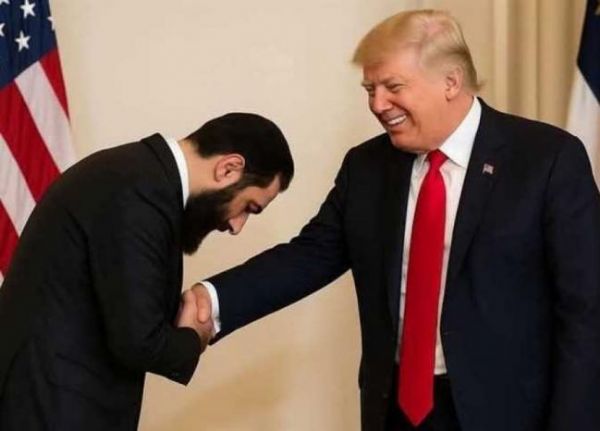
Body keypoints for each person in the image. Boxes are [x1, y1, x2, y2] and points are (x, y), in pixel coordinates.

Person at [190, 10, 600, 431]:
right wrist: (212, 299)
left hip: (508, 414)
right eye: (371, 89)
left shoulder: (545, 159)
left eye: (393, 87)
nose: (378, 104)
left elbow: (586, 310)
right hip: (396, 411)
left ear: (451, 82)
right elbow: (308, 257)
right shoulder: (366, 167)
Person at [0, 113, 294, 431]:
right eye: (248, 207)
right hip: (50, 410)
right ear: (228, 169)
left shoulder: (140, 178)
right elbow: (138, 342)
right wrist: (194, 336)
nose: (237, 226)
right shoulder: (140, 193)